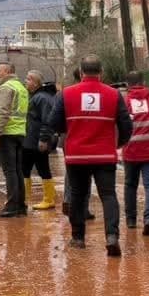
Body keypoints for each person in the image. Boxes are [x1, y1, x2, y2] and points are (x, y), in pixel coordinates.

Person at [41, 55, 132, 253]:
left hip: (76, 155)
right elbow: (126, 124)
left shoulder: (66, 94)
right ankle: (111, 236)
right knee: (108, 195)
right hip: (105, 155)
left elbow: (53, 122)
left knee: (78, 195)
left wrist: (72, 128)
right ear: (101, 73)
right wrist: (119, 143)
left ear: (81, 73)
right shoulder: (114, 94)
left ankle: (78, 238)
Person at [122, 70, 149, 236]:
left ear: (127, 85)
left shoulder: (124, 102)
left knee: (130, 185)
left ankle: (131, 220)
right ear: (144, 81)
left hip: (131, 151)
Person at [0, 61, 29, 218]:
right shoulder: (21, 88)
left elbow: (3, 113)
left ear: (7, 72)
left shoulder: (6, 88)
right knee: (17, 171)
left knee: (10, 171)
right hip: (19, 133)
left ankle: (11, 206)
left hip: (6, 134)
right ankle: (20, 206)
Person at [60, 67, 94, 223]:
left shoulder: (67, 93)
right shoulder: (93, 93)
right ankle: (79, 207)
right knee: (85, 173)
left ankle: (72, 203)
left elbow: (55, 118)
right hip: (86, 138)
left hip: (70, 138)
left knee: (73, 171)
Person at [22, 70, 58, 210]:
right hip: (33, 140)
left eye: (28, 79)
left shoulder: (41, 98)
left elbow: (47, 121)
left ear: (35, 82)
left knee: (29, 169)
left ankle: (40, 200)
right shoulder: (40, 96)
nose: (25, 81)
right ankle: (42, 199)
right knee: (37, 169)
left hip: (35, 141)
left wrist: (43, 139)